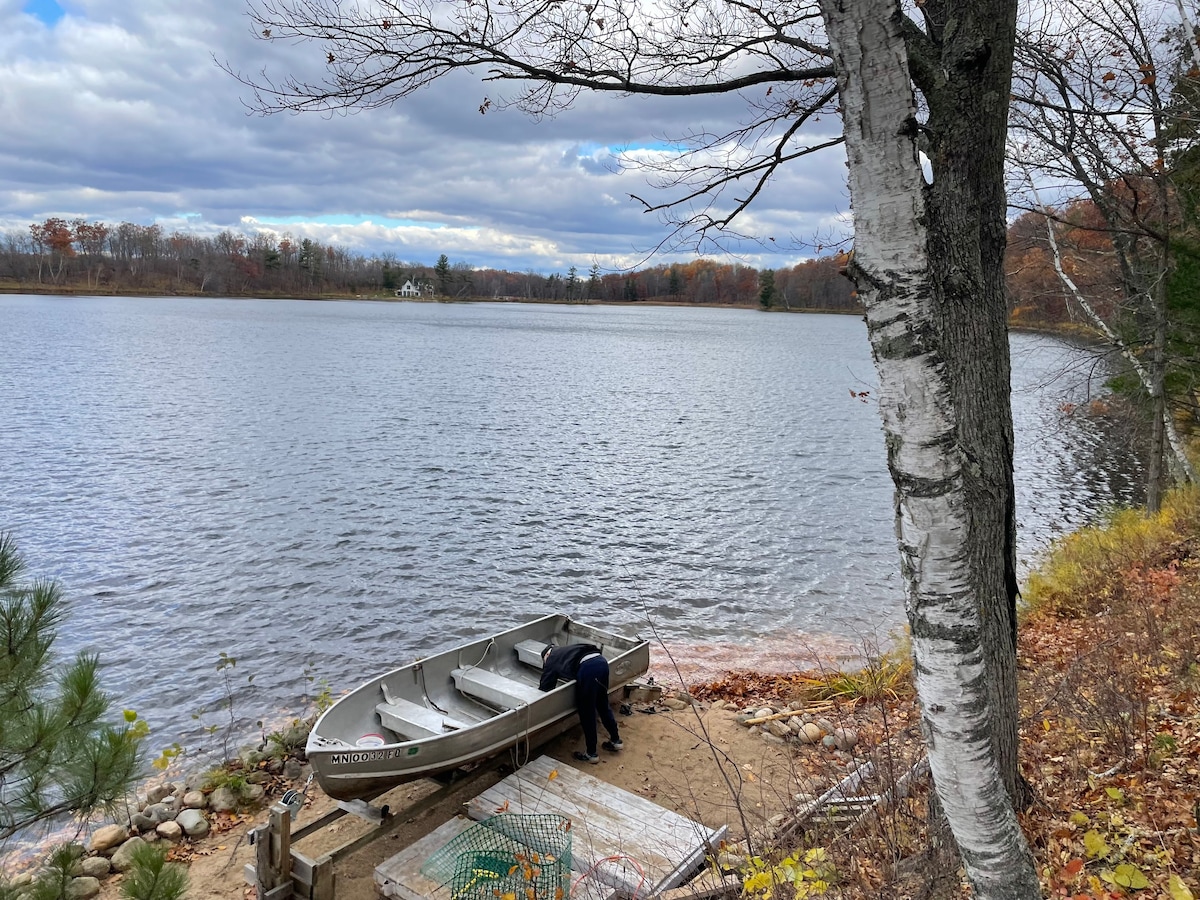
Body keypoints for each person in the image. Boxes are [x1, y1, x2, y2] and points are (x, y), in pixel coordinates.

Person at [538, 643, 623, 763]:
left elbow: (545, 687)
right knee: (602, 704)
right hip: (601, 662)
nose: (545, 664)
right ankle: (616, 740)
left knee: (587, 712)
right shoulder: (565, 650)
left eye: (544, 661)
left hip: (588, 668)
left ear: (547, 654)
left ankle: (591, 754)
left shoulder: (551, 657)